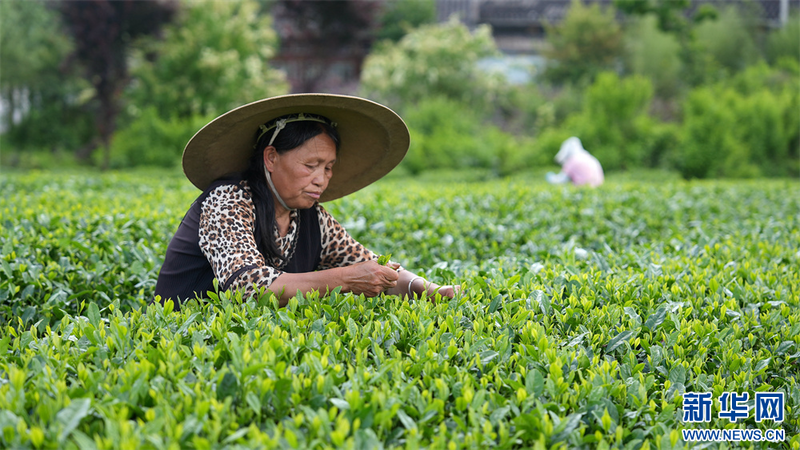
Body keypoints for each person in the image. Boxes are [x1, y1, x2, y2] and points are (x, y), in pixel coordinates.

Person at [154, 94, 458, 309]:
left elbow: (370, 266)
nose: (321, 179)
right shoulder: (228, 200)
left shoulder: (312, 217)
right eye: (310, 165)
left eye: (328, 168)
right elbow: (247, 286)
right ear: (271, 158)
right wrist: (345, 279)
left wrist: (426, 289)